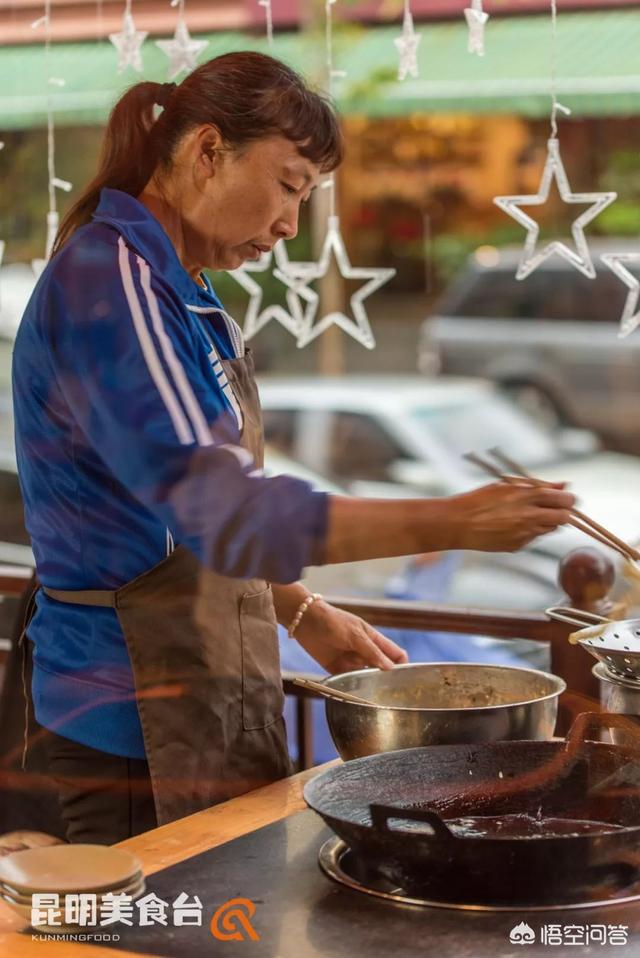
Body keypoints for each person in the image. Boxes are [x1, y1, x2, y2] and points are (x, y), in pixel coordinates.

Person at [11, 51, 574, 845]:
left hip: (200, 684)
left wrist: (297, 607)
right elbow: (226, 513)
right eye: (289, 186)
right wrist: (451, 521)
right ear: (208, 151)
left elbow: (171, 514)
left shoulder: (186, 292)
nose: (288, 225)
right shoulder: (112, 283)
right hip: (128, 714)